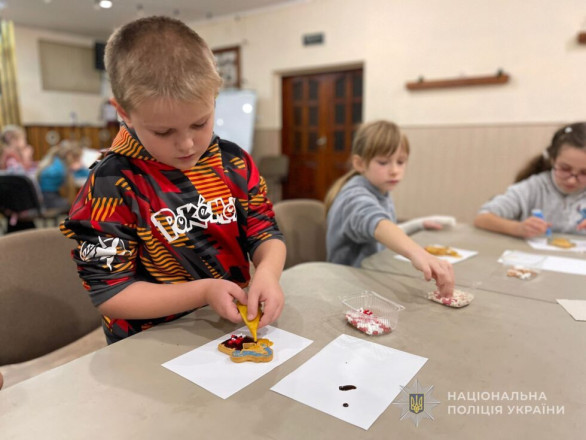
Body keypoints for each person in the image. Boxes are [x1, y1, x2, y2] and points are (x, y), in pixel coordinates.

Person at [60, 16, 286, 344]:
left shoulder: (233, 161)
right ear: (124, 112)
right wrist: (204, 292)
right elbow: (111, 292)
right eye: (163, 131)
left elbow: (264, 231)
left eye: (200, 123)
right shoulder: (110, 184)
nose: (187, 144)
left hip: (225, 327)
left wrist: (267, 272)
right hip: (148, 342)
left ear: (214, 97)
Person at [325, 120, 454, 298]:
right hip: (348, 287)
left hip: (372, 276)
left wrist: (418, 224)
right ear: (360, 163)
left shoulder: (381, 189)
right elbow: (376, 224)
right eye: (383, 162)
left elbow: (384, 231)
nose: (394, 170)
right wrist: (419, 253)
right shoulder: (354, 195)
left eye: (400, 162)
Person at [474, 122, 586, 237]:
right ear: (552, 160)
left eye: (584, 173)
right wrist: (517, 228)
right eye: (565, 169)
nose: (572, 181)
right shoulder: (533, 188)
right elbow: (483, 217)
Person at [36, 140, 90, 211]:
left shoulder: (55, 161)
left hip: (45, 198)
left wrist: (79, 167)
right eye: (78, 159)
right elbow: (87, 175)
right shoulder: (60, 169)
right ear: (71, 157)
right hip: (49, 200)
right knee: (76, 205)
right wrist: (80, 168)